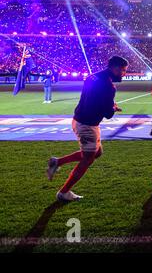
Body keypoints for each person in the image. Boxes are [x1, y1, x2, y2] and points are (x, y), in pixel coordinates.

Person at [46, 56, 128, 202]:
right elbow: (108, 114)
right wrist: (113, 108)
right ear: (115, 68)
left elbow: (92, 98)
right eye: (123, 70)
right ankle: (64, 192)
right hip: (87, 125)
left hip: (80, 120)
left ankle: (57, 162)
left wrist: (108, 104)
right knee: (88, 158)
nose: (124, 73)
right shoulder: (109, 87)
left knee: (97, 153)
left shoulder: (92, 77)